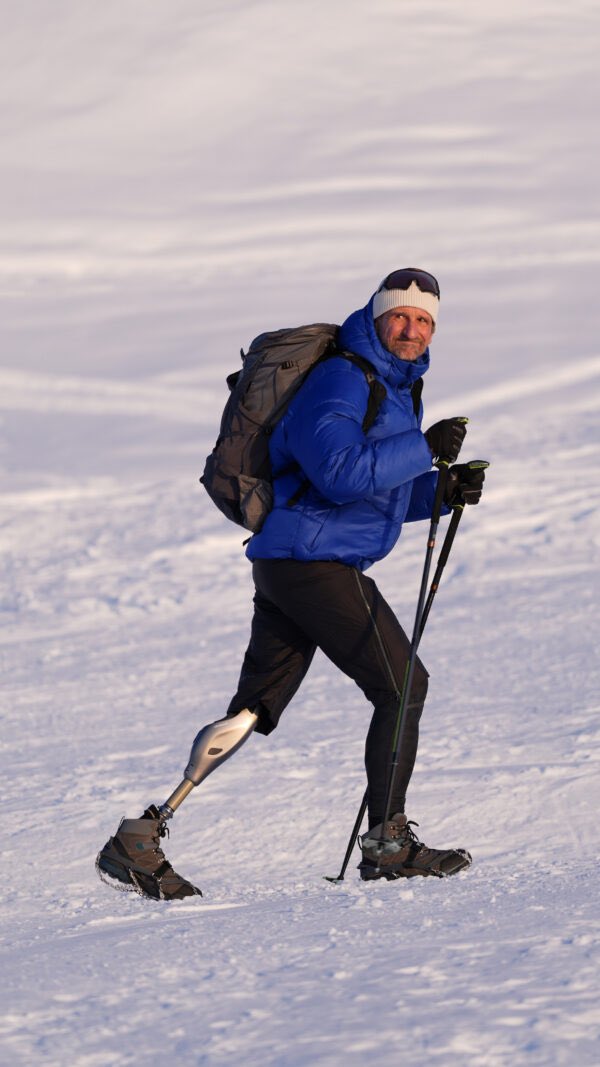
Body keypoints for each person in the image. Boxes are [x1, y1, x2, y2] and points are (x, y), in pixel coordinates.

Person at [97, 267, 486, 900]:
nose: (412, 329)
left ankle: (139, 838)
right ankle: (388, 845)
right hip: (312, 562)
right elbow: (336, 472)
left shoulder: (392, 384)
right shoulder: (343, 375)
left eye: (424, 321)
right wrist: (421, 450)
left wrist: (440, 490)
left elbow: (365, 493)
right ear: (378, 316)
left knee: (256, 705)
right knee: (403, 685)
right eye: (401, 316)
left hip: (300, 559)